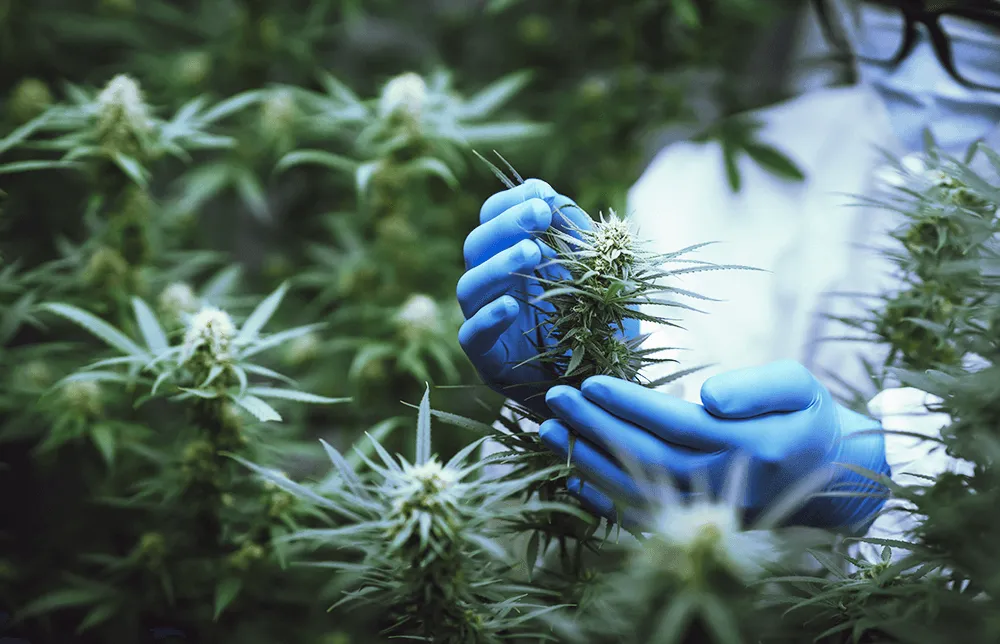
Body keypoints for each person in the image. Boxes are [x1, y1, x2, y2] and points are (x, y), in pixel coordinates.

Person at [456, 0, 1000, 544]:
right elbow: (537, 561)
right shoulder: (725, 175)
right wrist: (574, 397)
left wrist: (903, 476)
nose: (934, 31)